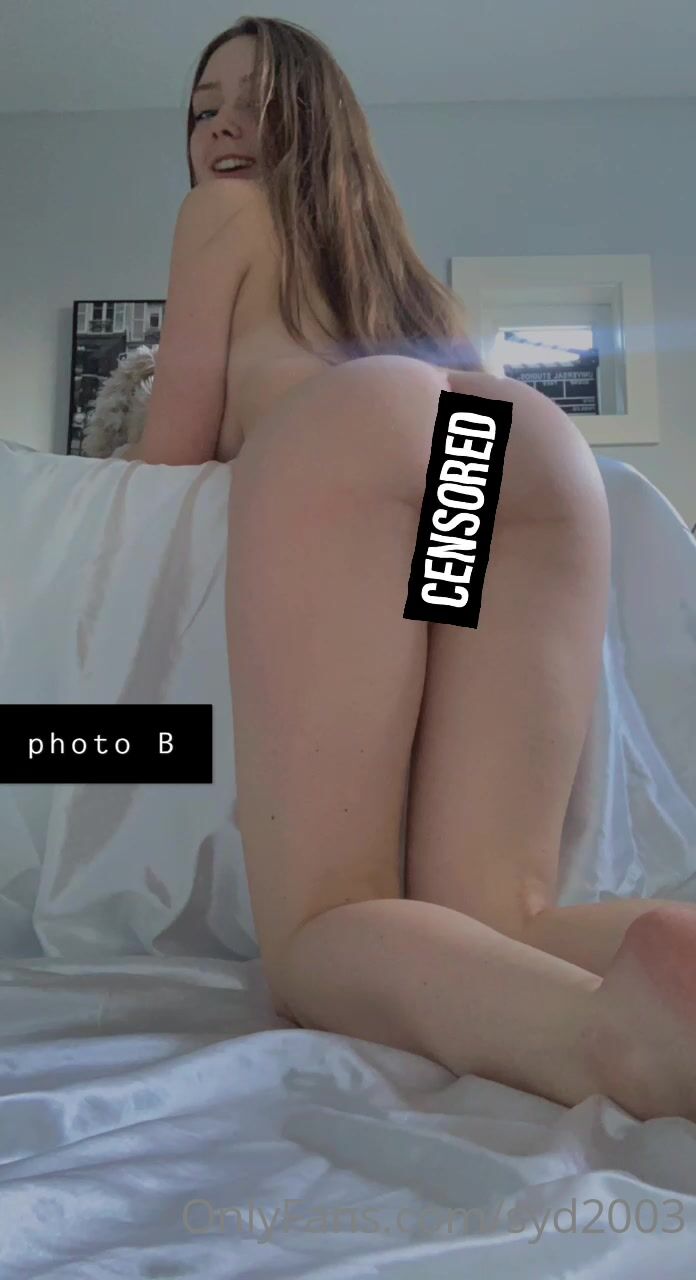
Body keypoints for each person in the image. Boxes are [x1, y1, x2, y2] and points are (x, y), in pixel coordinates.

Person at [182, 16, 694, 1122]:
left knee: (327, 923)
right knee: (495, 914)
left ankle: (616, 1046)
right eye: (202, 109)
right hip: (508, 444)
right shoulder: (401, 271)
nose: (220, 127)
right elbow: (434, 496)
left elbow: (172, 444)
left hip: (356, 442)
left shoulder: (224, 213)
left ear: (311, 125)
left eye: (252, 104)